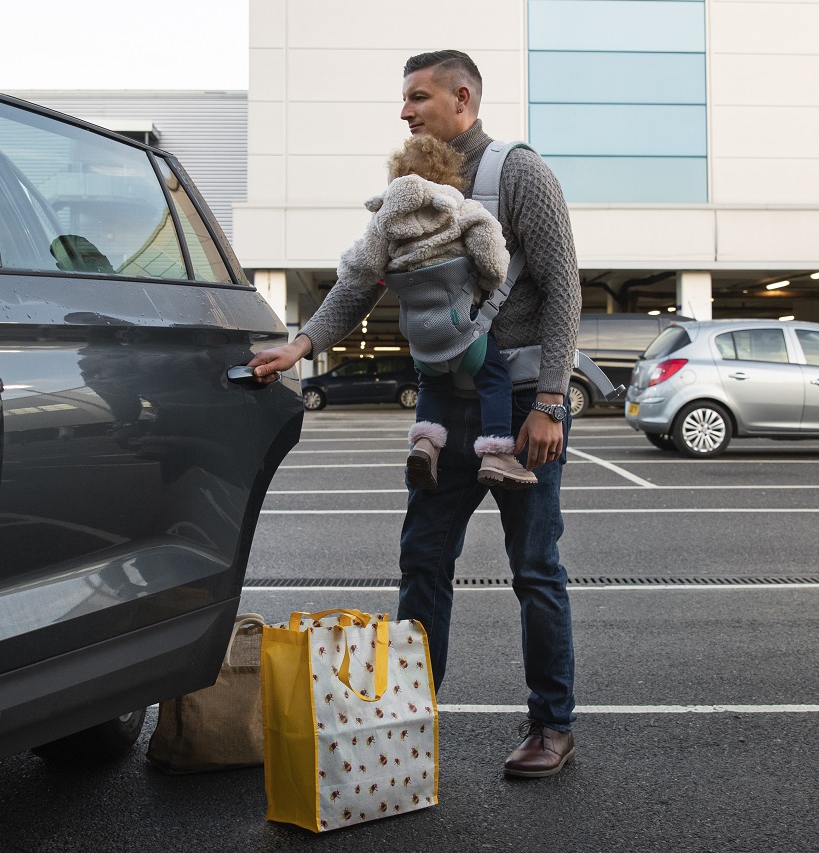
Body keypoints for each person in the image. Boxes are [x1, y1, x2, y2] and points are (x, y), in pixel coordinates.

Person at [248, 49, 582, 778]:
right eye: (404, 99)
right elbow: (359, 281)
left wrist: (552, 402)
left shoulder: (518, 173)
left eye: (418, 97)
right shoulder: (410, 181)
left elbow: (564, 289)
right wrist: (301, 344)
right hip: (445, 409)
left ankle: (552, 721)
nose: (404, 111)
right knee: (423, 561)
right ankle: (408, 713)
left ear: (462, 97)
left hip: (522, 406)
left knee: (534, 568)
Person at [337, 134, 535, 490]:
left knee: (432, 385)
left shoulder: (383, 222)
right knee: (494, 381)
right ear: (448, 178)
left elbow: (358, 271)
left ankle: (425, 445)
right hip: (463, 332)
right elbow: (493, 263)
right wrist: (488, 281)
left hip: (421, 338)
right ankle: (496, 452)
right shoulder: (461, 210)